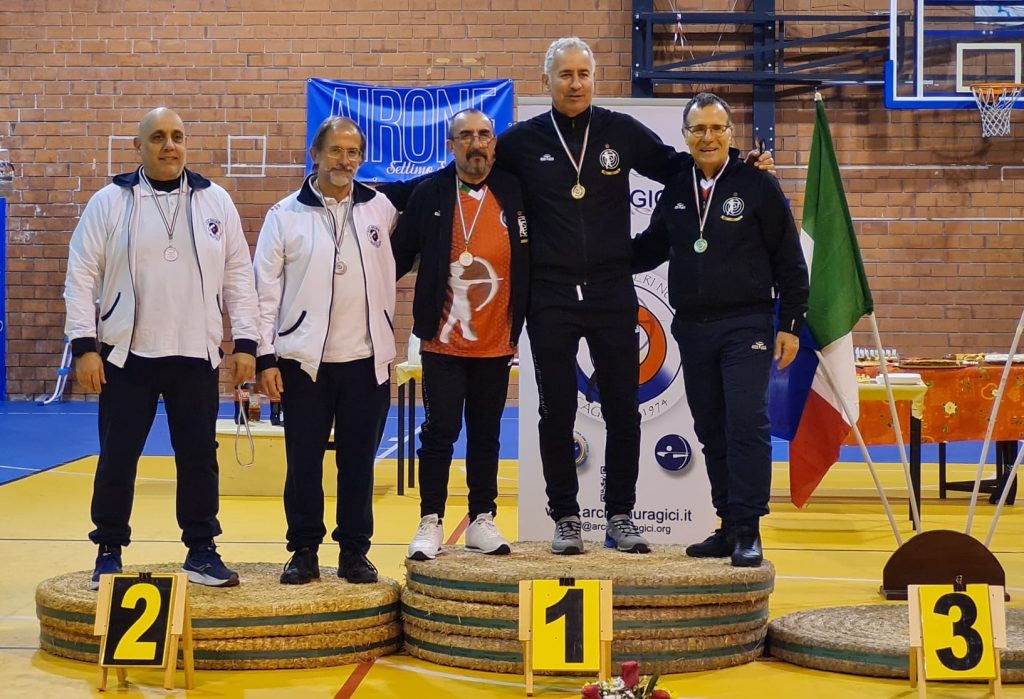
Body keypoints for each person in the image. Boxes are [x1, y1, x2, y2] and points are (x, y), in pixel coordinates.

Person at [495, 37, 775, 555]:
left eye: (583, 74)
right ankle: (566, 517)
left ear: (594, 78)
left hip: (611, 293)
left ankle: (620, 515)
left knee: (624, 411)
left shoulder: (619, 131)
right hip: (551, 297)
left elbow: (680, 166)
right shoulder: (519, 143)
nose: (575, 83)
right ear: (546, 80)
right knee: (556, 412)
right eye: (565, 74)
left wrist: (744, 170)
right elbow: (467, 177)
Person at [64, 107, 260, 589]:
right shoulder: (109, 201)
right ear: (138, 147)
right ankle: (109, 549)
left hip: (195, 352)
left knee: (199, 457)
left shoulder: (215, 201)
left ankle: (201, 550)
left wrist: (247, 343)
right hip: (126, 355)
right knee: (118, 456)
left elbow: (239, 275)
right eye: (157, 137)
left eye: (177, 136)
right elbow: (81, 274)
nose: (169, 145)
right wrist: (84, 346)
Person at [632, 93, 809, 567]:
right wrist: (596, 255)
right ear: (685, 136)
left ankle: (749, 529)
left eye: (716, 128)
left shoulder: (757, 184)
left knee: (746, 423)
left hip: (747, 324)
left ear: (731, 133)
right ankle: (728, 525)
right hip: (692, 327)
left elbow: (789, 259)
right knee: (711, 428)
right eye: (698, 129)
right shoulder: (676, 189)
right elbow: (651, 247)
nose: (707, 137)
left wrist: (790, 323)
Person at [254, 116, 398, 585]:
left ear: (362, 159)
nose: (344, 160)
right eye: (335, 150)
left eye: (353, 152)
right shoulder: (283, 215)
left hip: (366, 362)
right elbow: (263, 293)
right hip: (303, 364)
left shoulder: (381, 209)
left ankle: (354, 551)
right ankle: (303, 551)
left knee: (358, 464)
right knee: (303, 464)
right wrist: (265, 356)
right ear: (315, 154)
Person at [391, 109, 529, 561]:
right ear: (451, 145)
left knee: (487, 434)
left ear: (495, 142)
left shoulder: (514, 190)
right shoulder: (430, 193)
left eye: (484, 134)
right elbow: (396, 255)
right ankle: (430, 519)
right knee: (440, 433)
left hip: (497, 341)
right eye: (465, 136)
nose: (476, 143)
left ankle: (482, 519)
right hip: (443, 341)